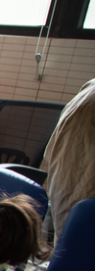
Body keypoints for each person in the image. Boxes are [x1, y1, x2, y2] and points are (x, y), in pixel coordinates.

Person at [44, 77, 95, 240]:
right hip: (80, 212)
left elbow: (50, 153)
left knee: (68, 253)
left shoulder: (90, 88)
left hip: (65, 204)